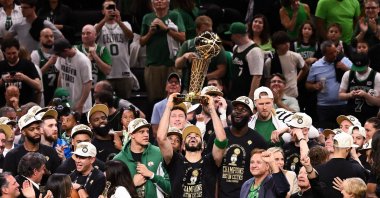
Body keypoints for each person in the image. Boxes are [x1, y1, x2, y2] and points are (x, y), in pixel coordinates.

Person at [156, 93, 227, 197]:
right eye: (188, 136)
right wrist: (169, 107)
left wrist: (212, 109)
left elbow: (221, 140)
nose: (193, 137)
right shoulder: (175, 162)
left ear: (203, 145)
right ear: (183, 146)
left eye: (196, 136)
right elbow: (161, 138)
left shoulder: (210, 162)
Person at [208, 95, 268, 198]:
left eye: (243, 110)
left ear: (251, 116)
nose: (238, 112)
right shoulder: (218, 135)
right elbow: (208, 168)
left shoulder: (258, 141)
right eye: (235, 109)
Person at [140, 0, 185, 102]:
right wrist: (150, 33)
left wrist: (166, 28)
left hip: (171, 64)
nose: (159, 1)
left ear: (168, 2)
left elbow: (183, 37)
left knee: (174, 98)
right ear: (152, 2)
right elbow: (141, 42)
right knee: (154, 100)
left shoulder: (175, 16)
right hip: (153, 65)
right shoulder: (147, 17)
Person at [113, 118, 171, 197]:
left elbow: (171, 188)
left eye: (147, 131)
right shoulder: (119, 160)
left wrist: (152, 175)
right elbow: (112, 193)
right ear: (132, 134)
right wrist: (132, 184)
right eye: (141, 132)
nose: (146, 135)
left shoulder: (159, 153)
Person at [301, 132, 368, 198]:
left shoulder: (318, 169)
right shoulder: (357, 169)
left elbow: (315, 188)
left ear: (333, 146)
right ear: (348, 149)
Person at [175, 15, 227, 93]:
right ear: (197, 31)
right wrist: (184, 57)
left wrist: (204, 77)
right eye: (204, 32)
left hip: (209, 88)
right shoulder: (188, 45)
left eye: (209, 31)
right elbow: (177, 64)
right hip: (188, 88)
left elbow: (222, 70)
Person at [95, 0, 135, 100]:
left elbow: (131, 36)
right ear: (103, 11)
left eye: (113, 7)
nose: (111, 10)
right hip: (106, 74)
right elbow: (93, 35)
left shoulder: (125, 24)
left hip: (124, 71)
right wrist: (105, 19)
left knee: (125, 104)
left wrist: (119, 21)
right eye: (108, 8)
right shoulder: (98, 25)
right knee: (105, 103)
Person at [306, 40, 349, 129]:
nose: (334, 55)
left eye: (335, 52)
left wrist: (345, 68)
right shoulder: (316, 66)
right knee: (326, 132)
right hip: (324, 106)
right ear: (324, 54)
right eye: (331, 53)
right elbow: (307, 84)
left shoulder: (343, 60)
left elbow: (357, 74)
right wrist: (314, 86)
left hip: (342, 104)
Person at [53, 38, 92, 116]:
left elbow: (88, 83)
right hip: (66, 102)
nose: (58, 56)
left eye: (59, 54)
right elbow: (61, 75)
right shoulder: (62, 57)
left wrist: (80, 104)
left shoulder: (83, 61)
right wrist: (58, 94)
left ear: (66, 50)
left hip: (81, 105)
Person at [339, 52, 380, 125]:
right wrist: (350, 95)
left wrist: (365, 95)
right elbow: (340, 95)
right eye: (357, 68)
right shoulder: (348, 74)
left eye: (361, 68)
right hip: (351, 115)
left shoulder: (376, 76)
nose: (359, 70)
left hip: (369, 117)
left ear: (368, 64)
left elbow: (378, 102)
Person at [264, 31, 308, 98]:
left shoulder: (295, 56)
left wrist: (296, 80)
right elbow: (267, 79)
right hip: (277, 96)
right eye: (283, 43)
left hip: (292, 95)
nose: (287, 44)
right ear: (276, 45)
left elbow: (305, 68)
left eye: (288, 42)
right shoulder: (270, 61)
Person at [226, 22, 264, 99]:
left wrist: (250, 98)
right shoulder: (236, 47)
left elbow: (257, 76)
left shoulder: (254, 51)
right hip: (235, 92)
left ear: (238, 36)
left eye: (232, 35)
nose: (231, 37)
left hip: (246, 92)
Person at [0, 38, 42, 107]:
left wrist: (24, 78)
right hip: (4, 108)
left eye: (14, 53)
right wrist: (3, 80)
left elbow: (38, 86)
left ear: (18, 51)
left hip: (25, 106)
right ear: (4, 53)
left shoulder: (28, 65)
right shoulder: (1, 65)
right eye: (8, 54)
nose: (12, 56)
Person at [30, 28, 59, 106]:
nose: (49, 39)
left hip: (56, 91)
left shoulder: (59, 53)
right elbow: (35, 76)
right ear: (40, 38)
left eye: (51, 36)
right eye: (46, 36)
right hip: (43, 91)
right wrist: (49, 64)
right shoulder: (35, 54)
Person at [151, 72, 181, 137]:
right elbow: (155, 131)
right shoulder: (158, 106)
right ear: (166, 87)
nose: (173, 84)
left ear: (180, 88)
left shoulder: (186, 105)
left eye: (176, 82)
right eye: (170, 82)